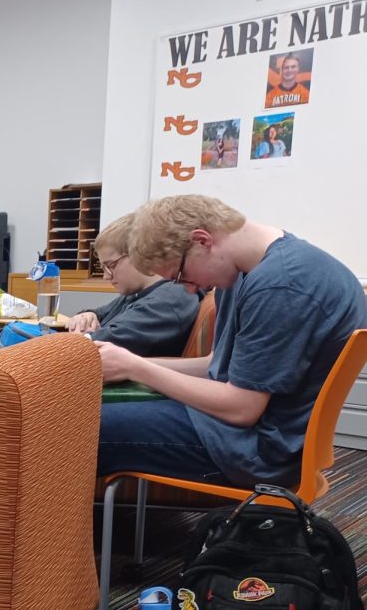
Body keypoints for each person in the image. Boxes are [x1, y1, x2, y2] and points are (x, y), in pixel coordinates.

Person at [95, 194, 367, 487]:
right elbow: (215, 365)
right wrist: (128, 364)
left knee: (75, 429)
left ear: (202, 240)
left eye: (180, 276)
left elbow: (242, 408)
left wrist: (137, 369)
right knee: (87, 414)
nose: (188, 291)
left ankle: (60, 532)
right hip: (239, 432)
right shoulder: (243, 273)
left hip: (257, 451)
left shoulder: (281, 285)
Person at [0, 214, 200, 397]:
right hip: (67, 365)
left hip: (74, 378)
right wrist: (88, 314)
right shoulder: (138, 294)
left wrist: (80, 333)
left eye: (111, 266)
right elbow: (98, 315)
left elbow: (97, 344)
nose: (107, 276)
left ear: (138, 256)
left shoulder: (170, 300)